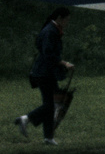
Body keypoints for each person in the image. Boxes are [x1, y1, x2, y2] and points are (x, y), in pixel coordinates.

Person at [16, 7, 73, 145]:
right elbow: (48, 53)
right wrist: (64, 63)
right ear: (60, 18)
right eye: (66, 19)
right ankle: (26, 119)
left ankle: (48, 137)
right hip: (44, 73)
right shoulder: (50, 31)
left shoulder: (52, 30)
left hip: (46, 72)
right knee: (50, 105)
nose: (67, 22)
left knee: (50, 105)